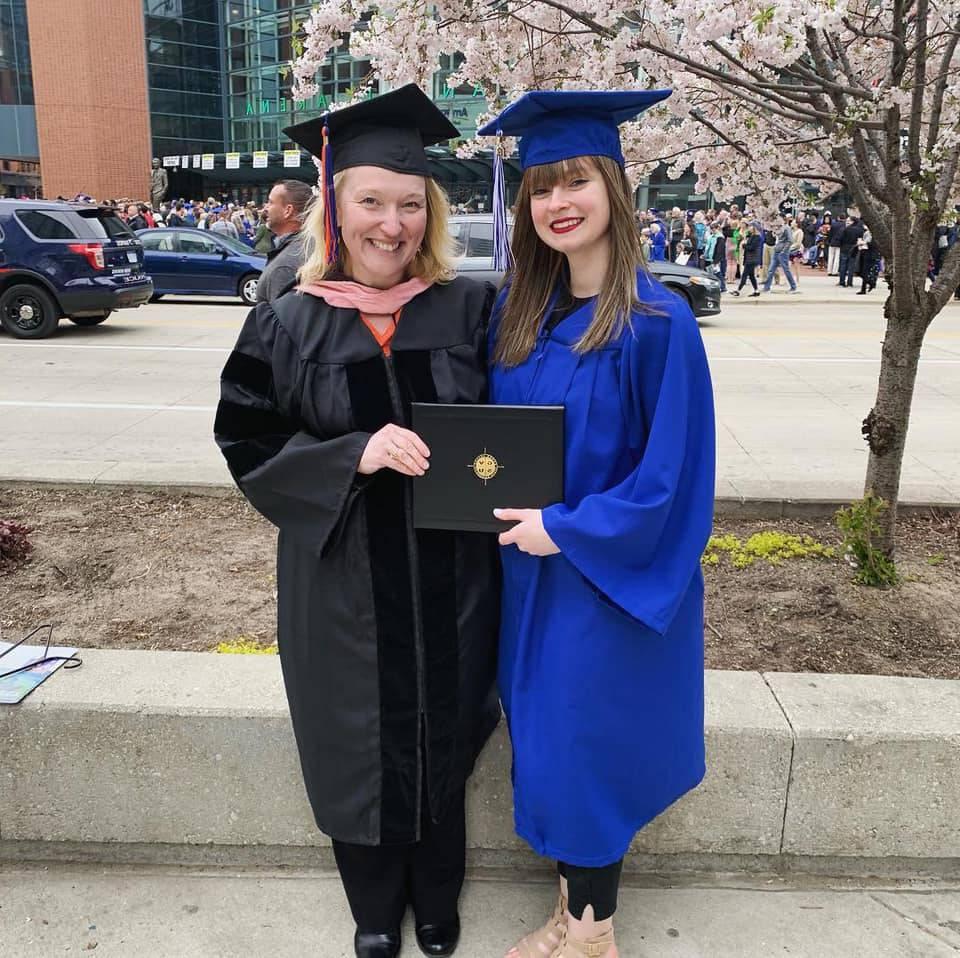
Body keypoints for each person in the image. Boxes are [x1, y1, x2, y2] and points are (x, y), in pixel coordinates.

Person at [214, 84, 500, 958]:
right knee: (353, 739)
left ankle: (439, 896)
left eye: (411, 204)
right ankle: (375, 908)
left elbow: (521, 427)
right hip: (340, 585)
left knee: (446, 728)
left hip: (455, 578)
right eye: (371, 202)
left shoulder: (470, 309)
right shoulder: (288, 316)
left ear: (432, 212)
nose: (392, 223)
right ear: (334, 209)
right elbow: (246, 435)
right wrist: (351, 457)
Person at [478, 89, 715, 958]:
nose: (556, 203)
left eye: (575, 180)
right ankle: (570, 914)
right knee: (544, 744)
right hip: (527, 576)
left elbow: (672, 480)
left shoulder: (658, 324)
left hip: (603, 581)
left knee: (585, 753)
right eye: (541, 187)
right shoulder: (519, 318)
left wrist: (570, 531)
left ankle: (594, 935)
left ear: (615, 188)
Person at [255, 179, 313, 303]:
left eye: (270, 202)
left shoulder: (284, 266)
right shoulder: (308, 247)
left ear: (288, 210)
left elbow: (281, 320)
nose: (265, 208)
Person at [761, 216, 799, 293]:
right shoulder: (778, 227)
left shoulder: (786, 228)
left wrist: (784, 250)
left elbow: (790, 240)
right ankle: (766, 287)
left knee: (786, 270)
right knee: (771, 270)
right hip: (776, 250)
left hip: (782, 252)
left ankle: (793, 286)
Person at [729, 223, 761, 295]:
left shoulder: (757, 237)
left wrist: (744, 245)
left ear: (754, 228)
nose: (749, 228)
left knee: (744, 274)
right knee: (752, 276)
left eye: (750, 227)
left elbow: (752, 247)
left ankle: (738, 290)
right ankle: (756, 290)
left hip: (752, 259)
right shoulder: (750, 236)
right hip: (748, 258)